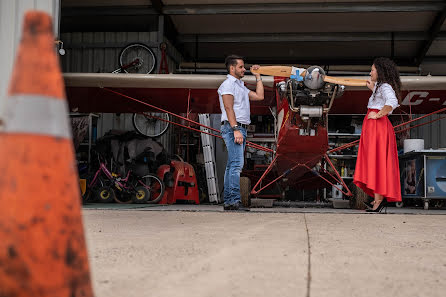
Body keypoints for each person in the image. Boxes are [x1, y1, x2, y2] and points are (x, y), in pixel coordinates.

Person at [353, 57, 402, 212]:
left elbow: (392, 102)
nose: (370, 72)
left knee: (377, 162)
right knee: (376, 163)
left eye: (372, 70)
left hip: (377, 128)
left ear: (380, 71)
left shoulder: (385, 86)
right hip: (374, 128)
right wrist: (373, 89)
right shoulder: (380, 87)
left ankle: (378, 201)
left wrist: (378, 114)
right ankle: (377, 200)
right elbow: (382, 99)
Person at [218, 55, 264, 210]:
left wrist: (258, 76)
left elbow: (259, 96)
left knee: (232, 165)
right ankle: (234, 201)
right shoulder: (228, 85)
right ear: (232, 68)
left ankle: (230, 201)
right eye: (241, 67)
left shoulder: (241, 86)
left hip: (238, 128)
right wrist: (236, 129)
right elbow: (228, 108)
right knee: (237, 165)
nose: (244, 69)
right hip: (234, 129)